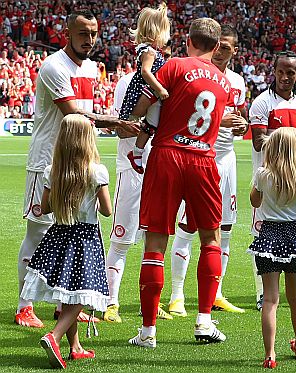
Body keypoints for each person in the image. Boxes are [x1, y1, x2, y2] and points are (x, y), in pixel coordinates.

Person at [16, 9, 138, 328]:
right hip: (48, 162)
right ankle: (24, 305)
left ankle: (63, 305)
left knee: (69, 234)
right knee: (38, 231)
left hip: (79, 163)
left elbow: (88, 115)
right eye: (83, 33)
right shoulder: (55, 66)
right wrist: (117, 124)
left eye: (94, 33)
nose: (90, 39)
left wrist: (113, 126)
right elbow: (74, 114)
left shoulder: (92, 68)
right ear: (67, 33)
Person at [126, 18, 237, 348]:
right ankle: (204, 321)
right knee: (211, 238)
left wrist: (141, 116)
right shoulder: (223, 83)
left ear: (188, 40)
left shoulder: (173, 65)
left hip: (167, 155)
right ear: (217, 47)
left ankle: (147, 332)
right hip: (204, 158)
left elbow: (142, 106)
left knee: (155, 242)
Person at [167, 24, 248, 317]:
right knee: (189, 227)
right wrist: (223, 122)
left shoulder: (237, 82)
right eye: (219, 45)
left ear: (233, 50)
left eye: (228, 47)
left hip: (228, 159)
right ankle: (177, 295)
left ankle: (216, 293)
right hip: (201, 156)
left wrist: (240, 125)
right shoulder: (195, 73)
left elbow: (238, 120)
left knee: (224, 228)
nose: (222, 51)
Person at [20, 114, 112, 369]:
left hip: (59, 234)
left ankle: (76, 347)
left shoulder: (53, 170)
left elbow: (45, 208)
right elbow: (106, 210)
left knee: (68, 293)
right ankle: (55, 335)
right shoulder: (96, 171)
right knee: (83, 293)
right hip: (85, 238)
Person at [249, 51, 296, 311]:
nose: (285, 77)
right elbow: (259, 142)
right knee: (260, 232)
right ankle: (262, 293)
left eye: (290, 72)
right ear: (274, 71)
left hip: (292, 179)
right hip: (267, 179)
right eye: (281, 71)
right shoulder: (262, 103)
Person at [247, 127, 296, 368]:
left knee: (270, 300)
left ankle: (270, 354)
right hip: (295, 237)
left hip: (268, 235)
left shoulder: (263, 174)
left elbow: (255, 201)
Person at [103, 72, 172, 323]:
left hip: (160, 167)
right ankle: (111, 302)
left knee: (152, 240)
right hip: (131, 169)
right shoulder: (127, 83)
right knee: (121, 239)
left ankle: (149, 305)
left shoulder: (168, 81)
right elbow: (120, 128)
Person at [122, 3, 170, 173]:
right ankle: (137, 152)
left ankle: (137, 152)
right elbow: (145, 72)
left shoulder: (150, 50)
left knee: (152, 124)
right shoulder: (149, 51)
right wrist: (161, 89)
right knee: (152, 123)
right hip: (146, 91)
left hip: (148, 91)